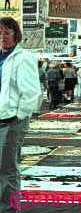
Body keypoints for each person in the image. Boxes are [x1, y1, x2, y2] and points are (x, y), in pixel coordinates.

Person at [0, 17, 41, 212]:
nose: (2, 37)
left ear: (16, 35)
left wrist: (20, 115)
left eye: (6, 33)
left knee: (8, 168)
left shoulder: (24, 57)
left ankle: (10, 208)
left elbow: (32, 91)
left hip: (12, 120)